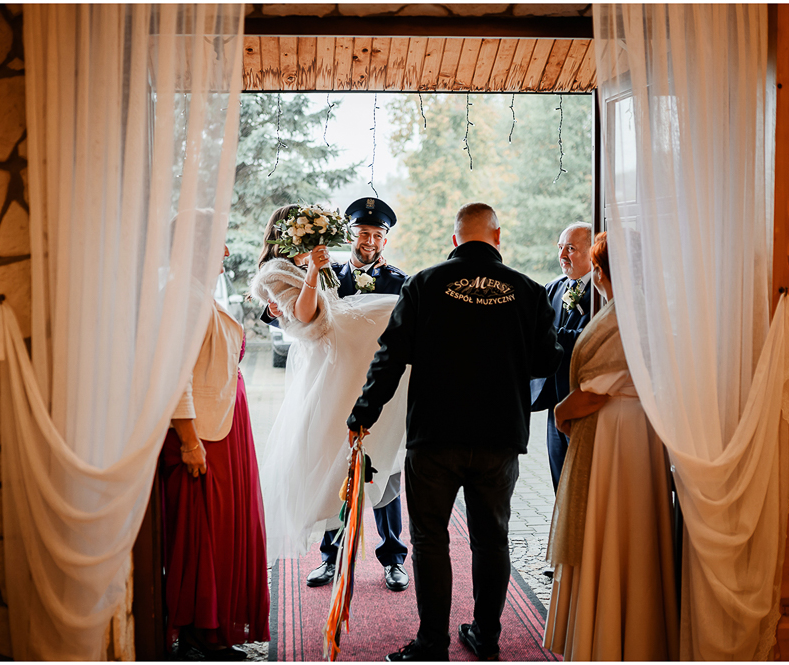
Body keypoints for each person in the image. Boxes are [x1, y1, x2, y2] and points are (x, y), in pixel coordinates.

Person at [346, 203, 563, 662]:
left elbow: (390, 356)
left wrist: (364, 413)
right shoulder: (528, 291)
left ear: (454, 240)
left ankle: (432, 644)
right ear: (497, 237)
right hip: (499, 436)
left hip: (435, 434)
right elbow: (548, 360)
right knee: (492, 539)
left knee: (430, 540)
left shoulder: (424, 284)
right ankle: (486, 636)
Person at [543, 232, 679, 660]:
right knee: (629, 527)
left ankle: (608, 635)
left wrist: (562, 412)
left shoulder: (627, 315)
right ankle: (627, 629)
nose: (597, 276)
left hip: (618, 433)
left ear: (604, 272)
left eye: (599, 268)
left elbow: (596, 390)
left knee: (612, 525)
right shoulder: (640, 308)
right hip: (636, 432)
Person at [251, 204, 410, 565]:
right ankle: (330, 556)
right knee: (330, 461)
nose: (370, 241)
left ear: (385, 240)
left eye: (377, 235)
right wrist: (278, 310)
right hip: (333, 383)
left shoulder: (399, 281)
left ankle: (393, 557)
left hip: (377, 390)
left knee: (383, 466)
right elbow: (289, 315)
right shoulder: (326, 271)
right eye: (363, 233)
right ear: (350, 235)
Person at [162, 245, 269, 661]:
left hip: (225, 427)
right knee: (204, 533)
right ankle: (201, 631)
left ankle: (214, 627)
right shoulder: (182, 298)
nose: (224, 255)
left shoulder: (199, 292)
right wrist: (189, 441)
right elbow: (176, 376)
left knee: (223, 530)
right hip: (203, 435)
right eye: (216, 248)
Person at [531, 222, 594, 495]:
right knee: (560, 482)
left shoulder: (603, 291)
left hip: (585, 400)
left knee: (584, 482)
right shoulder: (553, 288)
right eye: (560, 248)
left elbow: (589, 339)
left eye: (571, 248)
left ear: (592, 251)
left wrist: (548, 336)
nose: (563, 255)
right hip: (553, 401)